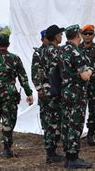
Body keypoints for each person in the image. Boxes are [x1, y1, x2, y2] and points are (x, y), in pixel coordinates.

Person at [0, 33, 34, 158]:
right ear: (8, 44)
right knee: (8, 121)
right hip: (10, 94)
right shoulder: (15, 59)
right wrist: (29, 93)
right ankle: (6, 149)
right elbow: (23, 78)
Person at [60, 24, 94, 169]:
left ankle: (68, 156)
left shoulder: (61, 50)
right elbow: (84, 76)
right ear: (77, 35)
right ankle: (74, 158)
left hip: (65, 91)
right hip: (77, 93)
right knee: (75, 124)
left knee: (66, 123)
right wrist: (91, 70)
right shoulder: (75, 52)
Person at [38, 24, 66, 164]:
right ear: (55, 37)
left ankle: (51, 152)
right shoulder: (55, 51)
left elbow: (37, 71)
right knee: (54, 122)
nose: (62, 36)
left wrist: (40, 88)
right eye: (60, 34)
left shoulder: (41, 51)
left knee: (48, 122)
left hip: (45, 90)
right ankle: (51, 153)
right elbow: (59, 72)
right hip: (54, 91)